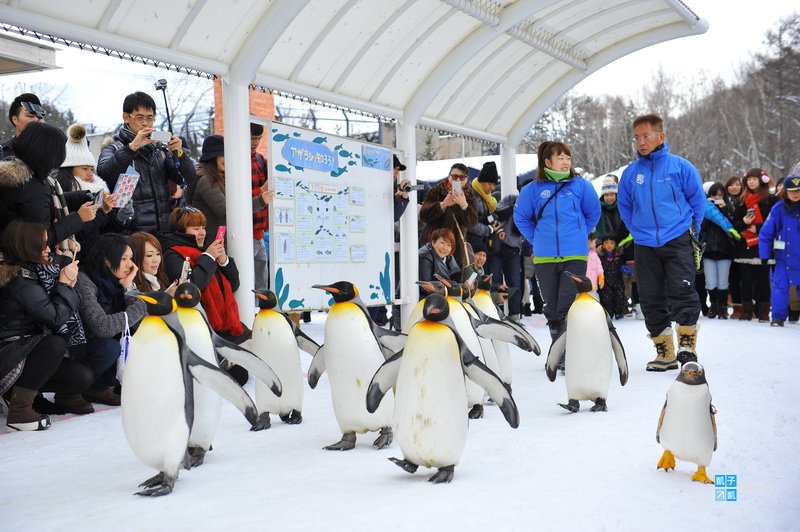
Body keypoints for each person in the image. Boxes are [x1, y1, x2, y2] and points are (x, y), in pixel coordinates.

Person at [617, 114, 705, 371]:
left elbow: (697, 202)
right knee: (651, 297)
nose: (641, 142)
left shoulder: (681, 167)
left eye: (646, 136)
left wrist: (692, 231)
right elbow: (625, 206)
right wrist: (637, 230)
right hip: (644, 243)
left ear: (661, 136)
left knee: (683, 289)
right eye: (637, 137)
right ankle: (665, 353)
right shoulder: (631, 173)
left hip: (677, 238)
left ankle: (687, 347)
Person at [0, 220, 93, 430]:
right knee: (54, 344)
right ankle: (20, 410)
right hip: (9, 353)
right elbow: (54, 317)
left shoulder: (35, 271)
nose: (49, 249)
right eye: (43, 244)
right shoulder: (18, 278)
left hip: (23, 352)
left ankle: (14, 393)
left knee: (81, 376)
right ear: (27, 246)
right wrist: (64, 284)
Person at [514, 141, 600, 346]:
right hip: (545, 257)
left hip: (575, 256)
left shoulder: (581, 185)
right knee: (551, 307)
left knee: (566, 304)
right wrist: (537, 239)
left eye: (568, 158)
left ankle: (564, 352)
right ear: (547, 161)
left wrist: (579, 234)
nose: (565, 162)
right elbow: (521, 218)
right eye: (560, 158)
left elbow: (593, 213)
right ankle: (559, 344)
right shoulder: (533, 189)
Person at [97, 91, 195, 234]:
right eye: (139, 117)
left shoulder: (160, 150)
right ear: (126, 117)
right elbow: (104, 173)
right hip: (129, 232)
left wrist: (179, 153)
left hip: (164, 230)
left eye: (150, 118)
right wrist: (132, 148)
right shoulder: (113, 148)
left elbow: (188, 177)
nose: (145, 123)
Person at [0, 121, 100, 255]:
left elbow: (46, 202)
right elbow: (42, 240)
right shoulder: (32, 188)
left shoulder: (19, 175)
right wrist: (79, 218)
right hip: (24, 260)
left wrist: (81, 196)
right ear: (48, 154)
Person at [74, 234, 147, 406]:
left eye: (131, 258)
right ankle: (80, 389)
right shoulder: (84, 281)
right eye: (123, 259)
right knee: (109, 347)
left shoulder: (116, 281)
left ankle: (103, 386)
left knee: (141, 337)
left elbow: (141, 322)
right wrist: (138, 306)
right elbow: (102, 327)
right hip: (79, 348)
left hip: (98, 343)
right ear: (106, 260)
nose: (130, 265)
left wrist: (129, 288)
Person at [186, 134, 274, 255]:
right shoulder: (206, 181)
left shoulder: (222, 177)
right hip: (212, 247)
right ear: (211, 157)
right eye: (223, 154)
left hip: (221, 244)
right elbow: (228, 213)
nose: (227, 159)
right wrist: (261, 200)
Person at [731, 168, 778, 322]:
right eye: (749, 179)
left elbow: (776, 222)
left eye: (754, 179)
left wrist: (759, 228)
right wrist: (743, 222)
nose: (751, 181)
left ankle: (763, 311)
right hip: (745, 246)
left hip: (764, 245)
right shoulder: (742, 201)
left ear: (762, 180)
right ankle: (747, 310)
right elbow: (734, 224)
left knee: (763, 279)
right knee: (746, 280)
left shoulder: (771, 200)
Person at [759, 174, 800, 327]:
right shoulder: (778, 209)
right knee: (779, 288)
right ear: (785, 192)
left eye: (798, 190)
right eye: (792, 190)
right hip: (784, 257)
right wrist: (764, 255)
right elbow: (766, 233)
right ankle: (778, 317)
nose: (796, 193)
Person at [419, 163, 478, 268]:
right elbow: (423, 215)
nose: (458, 180)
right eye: (455, 176)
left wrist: (464, 205)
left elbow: (472, 223)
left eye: (462, 177)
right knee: (429, 279)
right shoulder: (436, 190)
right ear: (449, 177)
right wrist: (443, 204)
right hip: (433, 242)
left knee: (453, 279)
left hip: (455, 246)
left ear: (467, 179)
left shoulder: (469, 196)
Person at [699, 182, 740, 319]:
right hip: (709, 249)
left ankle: (722, 307)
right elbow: (700, 227)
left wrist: (723, 210)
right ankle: (714, 305)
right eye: (714, 195)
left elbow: (733, 225)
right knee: (710, 281)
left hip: (724, 250)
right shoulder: (704, 208)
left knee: (723, 281)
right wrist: (708, 210)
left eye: (720, 195)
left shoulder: (729, 208)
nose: (717, 197)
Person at [466, 161, 503, 280]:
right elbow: (470, 223)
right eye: (489, 184)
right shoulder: (472, 196)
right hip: (471, 242)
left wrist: (495, 226)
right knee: (471, 276)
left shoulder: (486, 198)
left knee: (481, 276)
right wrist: (489, 229)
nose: (491, 188)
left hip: (481, 242)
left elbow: (488, 216)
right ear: (481, 181)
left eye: (494, 185)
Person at [249, 124, 274, 292]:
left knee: (261, 283)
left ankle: (260, 310)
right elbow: (233, 196)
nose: (255, 142)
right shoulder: (234, 160)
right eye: (252, 138)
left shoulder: (260, 159)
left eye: (258, 138)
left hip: (260, 230)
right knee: (248, 282)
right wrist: (261, 191)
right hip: (245, 230)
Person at [0, 93, 44, 160]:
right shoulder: (2, 152)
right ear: (15, 120)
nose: (36, 120)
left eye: (39, 117)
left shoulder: (55, 150)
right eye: (30, 116)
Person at [724, 175, 744, 318]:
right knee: (732, 277)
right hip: (725, 245)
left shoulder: (745, 201)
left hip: (743, 244)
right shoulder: (722, 202)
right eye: (731, 185)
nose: (734, 187)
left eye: (737, 184)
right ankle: (736, 306)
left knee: (746, 276)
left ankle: (748, 305)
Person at [598, 235, 628, 319]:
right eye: (606, 243)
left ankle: (619, 312)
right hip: (605, 282)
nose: (609, 245)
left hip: (618, 281)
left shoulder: (619, 255)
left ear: (615, 244)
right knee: (606, 298)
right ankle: (608, 314)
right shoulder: (600, 256)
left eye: (611, 243)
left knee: (619, 297)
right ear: (602, 244)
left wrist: (624, 268)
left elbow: (622, 264)